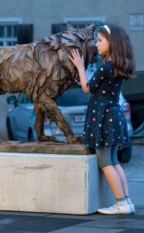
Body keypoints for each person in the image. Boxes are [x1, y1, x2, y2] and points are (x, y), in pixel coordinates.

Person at [69, 24, 135, 215]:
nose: (96, 45)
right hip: (114, 114)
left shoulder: (106, 67)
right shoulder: (119, 64)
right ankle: (127, 202)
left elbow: (87, 87)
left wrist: (80, 66)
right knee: (114, 160)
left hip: (104, 117)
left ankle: (121, 202)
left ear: (112, 42)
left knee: (105, 161)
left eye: (100, 40)